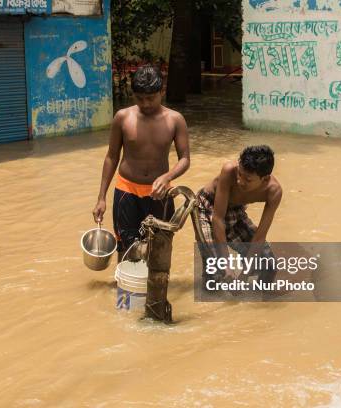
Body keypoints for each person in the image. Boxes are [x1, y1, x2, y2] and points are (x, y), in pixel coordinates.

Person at [92, 65, 190, 259]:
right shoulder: (123, 117)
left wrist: (168, 177)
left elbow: (185, 159)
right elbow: (112, 156)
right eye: (139, 98)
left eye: (150, 98)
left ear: (161, 92)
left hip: (160, 194)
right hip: (126, 192)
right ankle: (125, 289)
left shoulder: (175, 120)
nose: (145, 104)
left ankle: (156, 288)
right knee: (126, 249)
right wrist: (101, 197)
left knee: (159, 249)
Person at [196, 145, 282, 283]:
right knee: (216, 271)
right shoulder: (229, 170)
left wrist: (245, 274)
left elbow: (259, 237)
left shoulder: (274, 192)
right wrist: (226, 265)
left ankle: (256, 301)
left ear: (265, 179)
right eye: (239, 174)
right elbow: (218, 218)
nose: (239, 181)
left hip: (236, 209)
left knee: (268, 265)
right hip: (208, 206)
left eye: (247, 180)